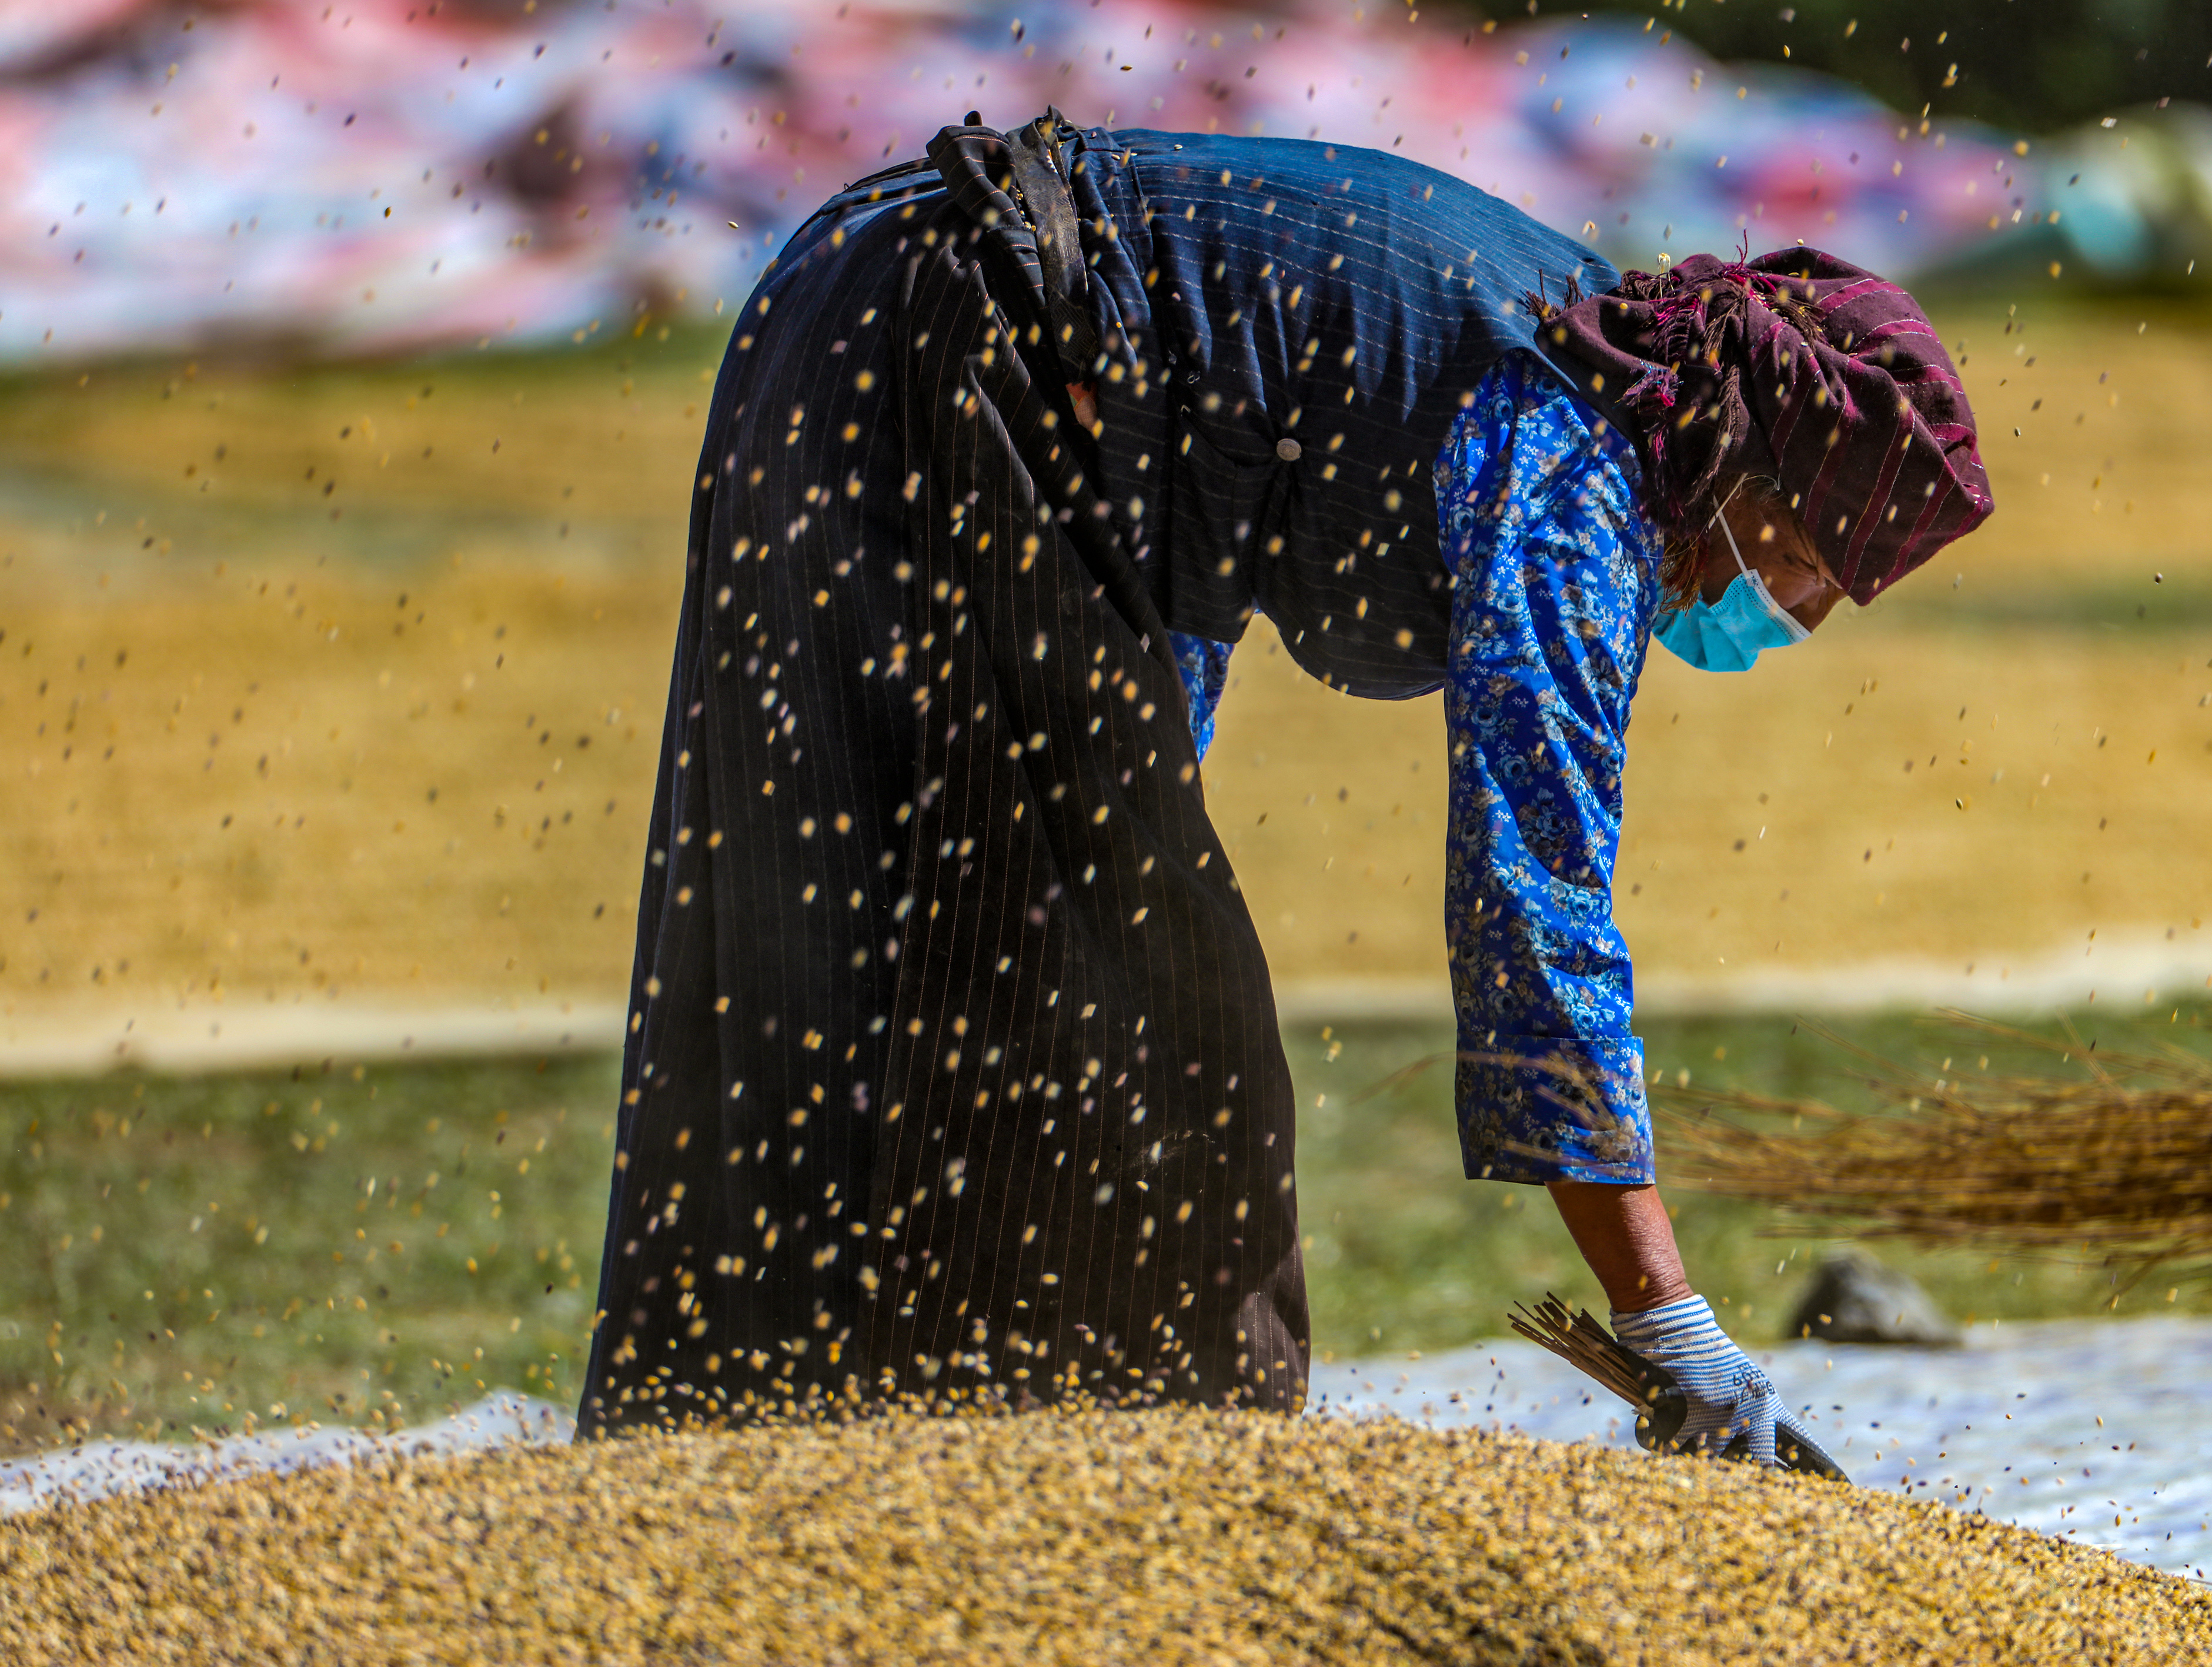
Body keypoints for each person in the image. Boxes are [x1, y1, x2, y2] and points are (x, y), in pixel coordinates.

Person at [577, 108, 1991, 1462]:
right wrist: (1659, 1308)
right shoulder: (1577, 454)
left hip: (875, 305)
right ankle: (1118, 1494)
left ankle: (751, 1446)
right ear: (1750, 463)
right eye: (1808, 568)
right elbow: (1534, 895)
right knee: (1157, 1051)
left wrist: (1116, 797)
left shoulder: (1563, 354)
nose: (1795, 618)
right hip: (955, 336)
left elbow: (1170, 523)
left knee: (879, 943)